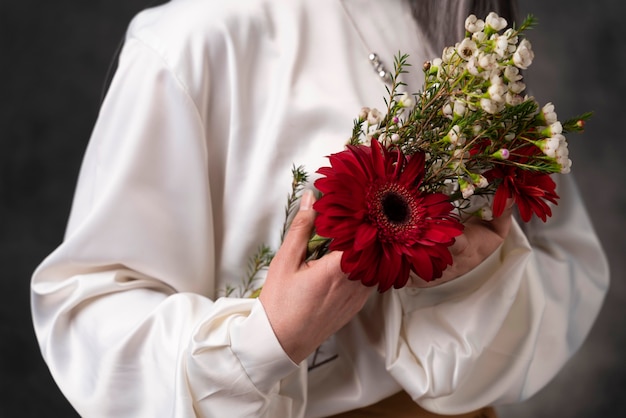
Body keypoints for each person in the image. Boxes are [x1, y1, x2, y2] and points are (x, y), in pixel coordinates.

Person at [31, 0, 609, 417]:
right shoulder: (196, 37)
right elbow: (88, 307)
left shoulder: (461, 31)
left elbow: (569, 271)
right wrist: (261, 342)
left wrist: (476, 277)